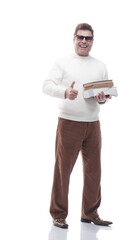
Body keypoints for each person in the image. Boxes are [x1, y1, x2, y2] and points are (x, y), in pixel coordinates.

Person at [43, 23, 113, 229]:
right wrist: (65, 92)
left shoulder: (100, 65)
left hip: (93, 124)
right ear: (74, 38)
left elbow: (105, 93)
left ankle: (90, 213)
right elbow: (46, 85)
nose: (84, 41)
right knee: (63, 170)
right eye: (80, 37)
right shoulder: (62, 63)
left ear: (92, 41)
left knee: (94, 171)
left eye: (88, 38)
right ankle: (58, 214)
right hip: (69, 123)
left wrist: (102, 98)